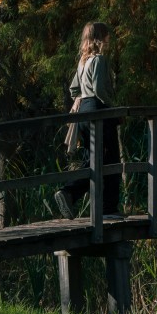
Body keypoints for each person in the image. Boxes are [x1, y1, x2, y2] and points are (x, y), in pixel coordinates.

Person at [55, 22, 122, 219]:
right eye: (107, 35)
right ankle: (106, 207)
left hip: (84, 111)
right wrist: (112, 107)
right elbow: (100, 89)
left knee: (92, 159)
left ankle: (71, 193)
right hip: (99, 112)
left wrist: (84, 99)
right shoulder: (99, 60)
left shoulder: (83, 61)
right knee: (110, 159)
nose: (109, 39)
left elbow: (73, 89)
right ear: (101, 37)